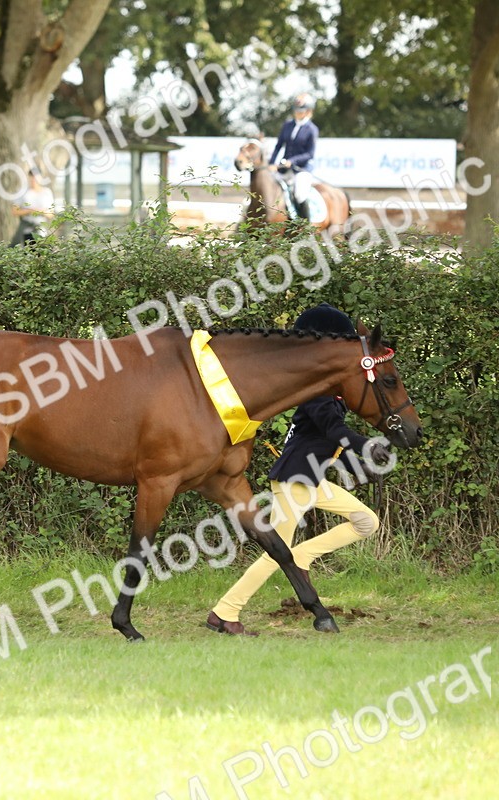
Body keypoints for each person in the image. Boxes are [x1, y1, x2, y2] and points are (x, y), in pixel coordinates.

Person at [206, 303, 393, 637]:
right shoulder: (318, 394)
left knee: (367, 522)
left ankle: (302, 557)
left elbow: (327, 442)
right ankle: (225, 611)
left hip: (311, 479)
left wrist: (360, 462)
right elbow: (333, 430)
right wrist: (365, 445)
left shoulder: (329, 392)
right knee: (275, 554)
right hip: (295, 481)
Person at [268, 93, 320, 222]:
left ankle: (304, 226)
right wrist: (271, 162)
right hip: (283, 169)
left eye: (301, 110)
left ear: (308, 111)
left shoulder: (312, 129)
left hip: (302, 169)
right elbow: (279, 145)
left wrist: (292, 161)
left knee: (300, 194)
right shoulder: (287, 125)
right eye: (296, 110)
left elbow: (309, 154)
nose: (297, 113)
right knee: (268, 188)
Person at [11, 168, 54, 246]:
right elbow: (14, 211)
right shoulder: (22, 192)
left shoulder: (47, 193)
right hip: (26, 230)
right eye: (32, 177)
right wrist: (30, 211)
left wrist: (39, 211)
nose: (34, 180)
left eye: (36, 177)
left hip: (41, 231)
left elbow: (51, 214)